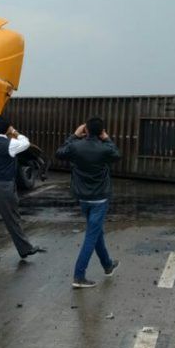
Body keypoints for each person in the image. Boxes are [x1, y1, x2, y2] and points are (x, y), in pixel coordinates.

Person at [55, 117, 121, 288]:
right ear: (101, 132)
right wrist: (107, 138)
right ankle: (79, 276)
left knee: (96, 232)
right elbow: (117, 154)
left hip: (83, 198)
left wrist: (74, 136)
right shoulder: (105, 148)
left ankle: (108, 265)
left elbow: (59, 153)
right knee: (91, 236)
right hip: (100, 198)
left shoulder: (75, 146)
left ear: (86, 130)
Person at [0, 115, 45, 263]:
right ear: (7, 129)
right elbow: (26, 143)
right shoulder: (10, 144)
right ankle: (25, 249)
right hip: (4, 185)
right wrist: (15, 132)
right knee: (12, 218)